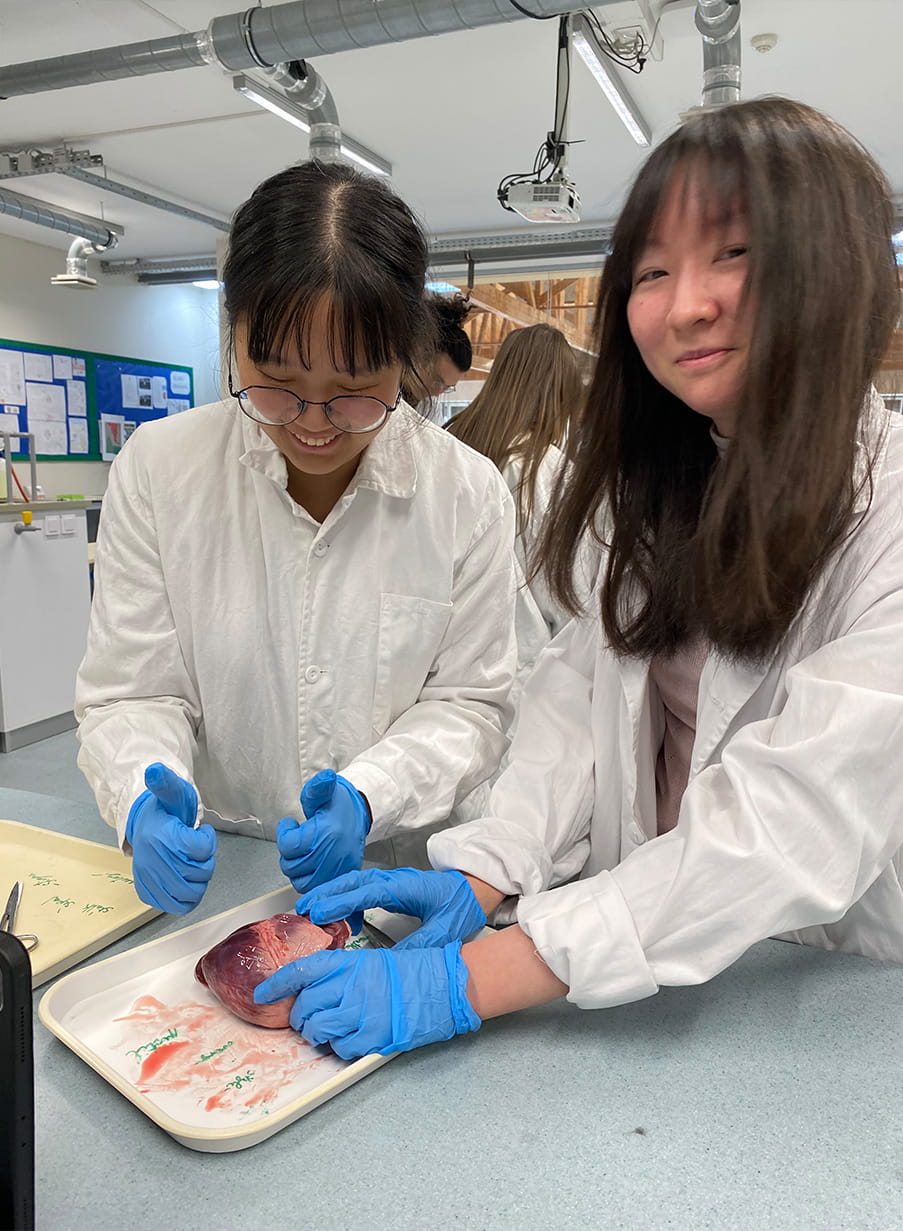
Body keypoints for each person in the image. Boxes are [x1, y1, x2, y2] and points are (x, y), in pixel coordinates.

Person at [253, 97, 903, 1060]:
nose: (685, 303)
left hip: (810, 984)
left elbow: (794, 817)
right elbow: (573, 711)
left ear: (841, 268)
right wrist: (482, 871)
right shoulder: (651, 484)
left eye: (732, 253)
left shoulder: (887, 508)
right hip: (630, 973)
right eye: (651, 269)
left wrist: (475, 974)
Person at [75, 160, 520, 915]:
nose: (313, 422)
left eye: (353, 390)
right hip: (225, 870)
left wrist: (369, 795)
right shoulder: (161, 467)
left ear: (404, 353)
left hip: (391, 873)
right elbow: (134, 688)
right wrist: (141, 796)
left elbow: (472, 704)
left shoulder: (466, 493)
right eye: (275, 379)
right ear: (231, 334)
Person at [446, 323, 590, 642]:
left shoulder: (453, 445)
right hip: (524, 663)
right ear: (562, 393)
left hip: (450, 652)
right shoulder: (543, 469)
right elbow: (568, 597)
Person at [402, 292, 473, 411]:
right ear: (418, 352)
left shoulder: (422, 408)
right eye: (437, 382)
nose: (436, 393)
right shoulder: (374, 380)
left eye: (446, 388)